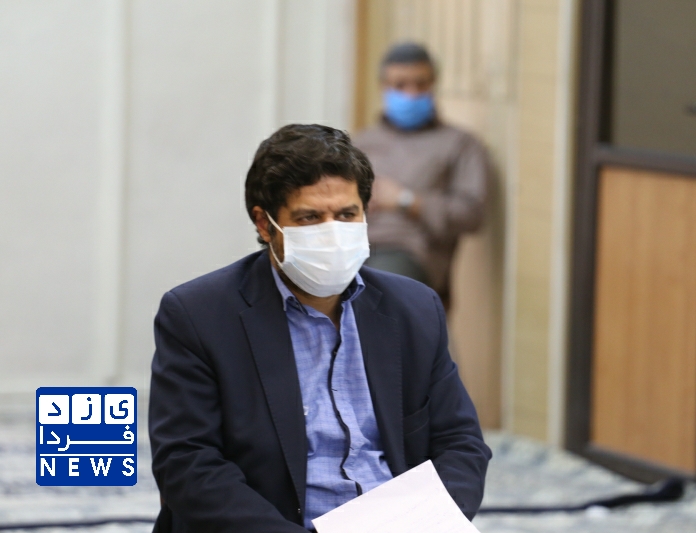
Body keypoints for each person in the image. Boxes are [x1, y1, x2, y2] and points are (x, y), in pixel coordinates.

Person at [148, 124, 491, 532]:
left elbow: (460, 444)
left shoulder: (414, 309)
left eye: (346, 215)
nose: (332, 233)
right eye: (310, 218)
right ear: (264, 224)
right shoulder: (198, 316)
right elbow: (188, 465)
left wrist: (423, 523)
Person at [354, 42, 494, 309]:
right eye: (401, 85)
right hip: (352, 247)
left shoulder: (459, 144)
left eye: (420, 84)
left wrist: (407, 201)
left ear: (433, 85)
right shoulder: (362, 143)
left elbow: (472, 214)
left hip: (410, 252)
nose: (411, 94)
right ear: (383, 87)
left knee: (378, 289)